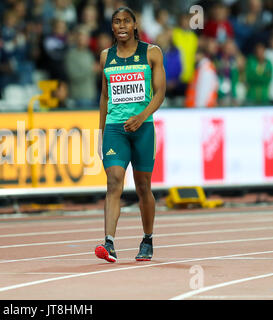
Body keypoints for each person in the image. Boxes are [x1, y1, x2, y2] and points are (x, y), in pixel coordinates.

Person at [95, 7, 166, 263]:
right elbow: (104, 96)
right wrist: (100, 132)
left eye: (126, 21)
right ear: (112, 27)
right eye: (116, 22)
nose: (121, 25)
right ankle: (109, 243)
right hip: (116, 128)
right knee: (114, 181)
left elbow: (160, 92)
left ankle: (147, 239)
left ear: (135, 25)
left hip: (143, 127)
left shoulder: (152, 52)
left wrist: (141, 116)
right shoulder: (106, 56)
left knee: (143, 186)